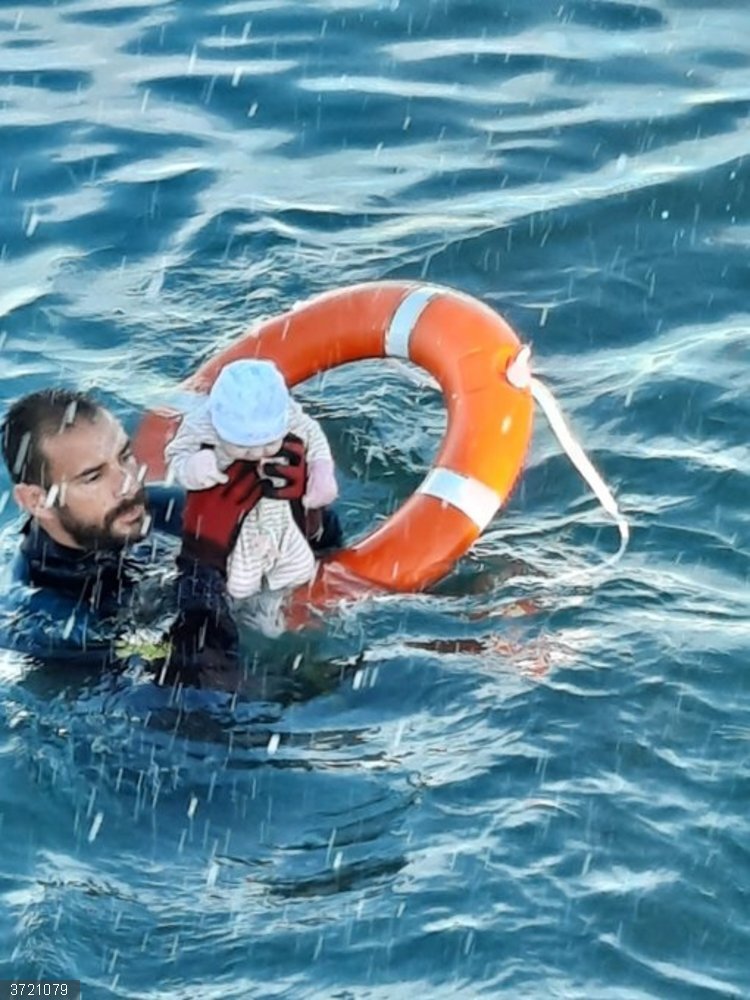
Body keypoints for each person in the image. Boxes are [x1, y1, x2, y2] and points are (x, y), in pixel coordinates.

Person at [0, 387, 336, 682]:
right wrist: (206, 559)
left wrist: (303, 513)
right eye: (93, 477)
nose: (129, 484)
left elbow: (323, 553)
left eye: (125, 456)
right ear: (36, 500)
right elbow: (203, 693)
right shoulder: (49, 621)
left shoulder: (156, 511)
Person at [165, 359, 339, 601]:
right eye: (244, 448)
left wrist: (322, 473)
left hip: (281, 517)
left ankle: (300, 596)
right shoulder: (202, 424)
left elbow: (314, 438)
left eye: (269, 444)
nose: (257, 454)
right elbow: (177, 453)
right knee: (239, 586)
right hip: (235, 528)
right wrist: (194, 467)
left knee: (299, 566)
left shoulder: (289, 416)